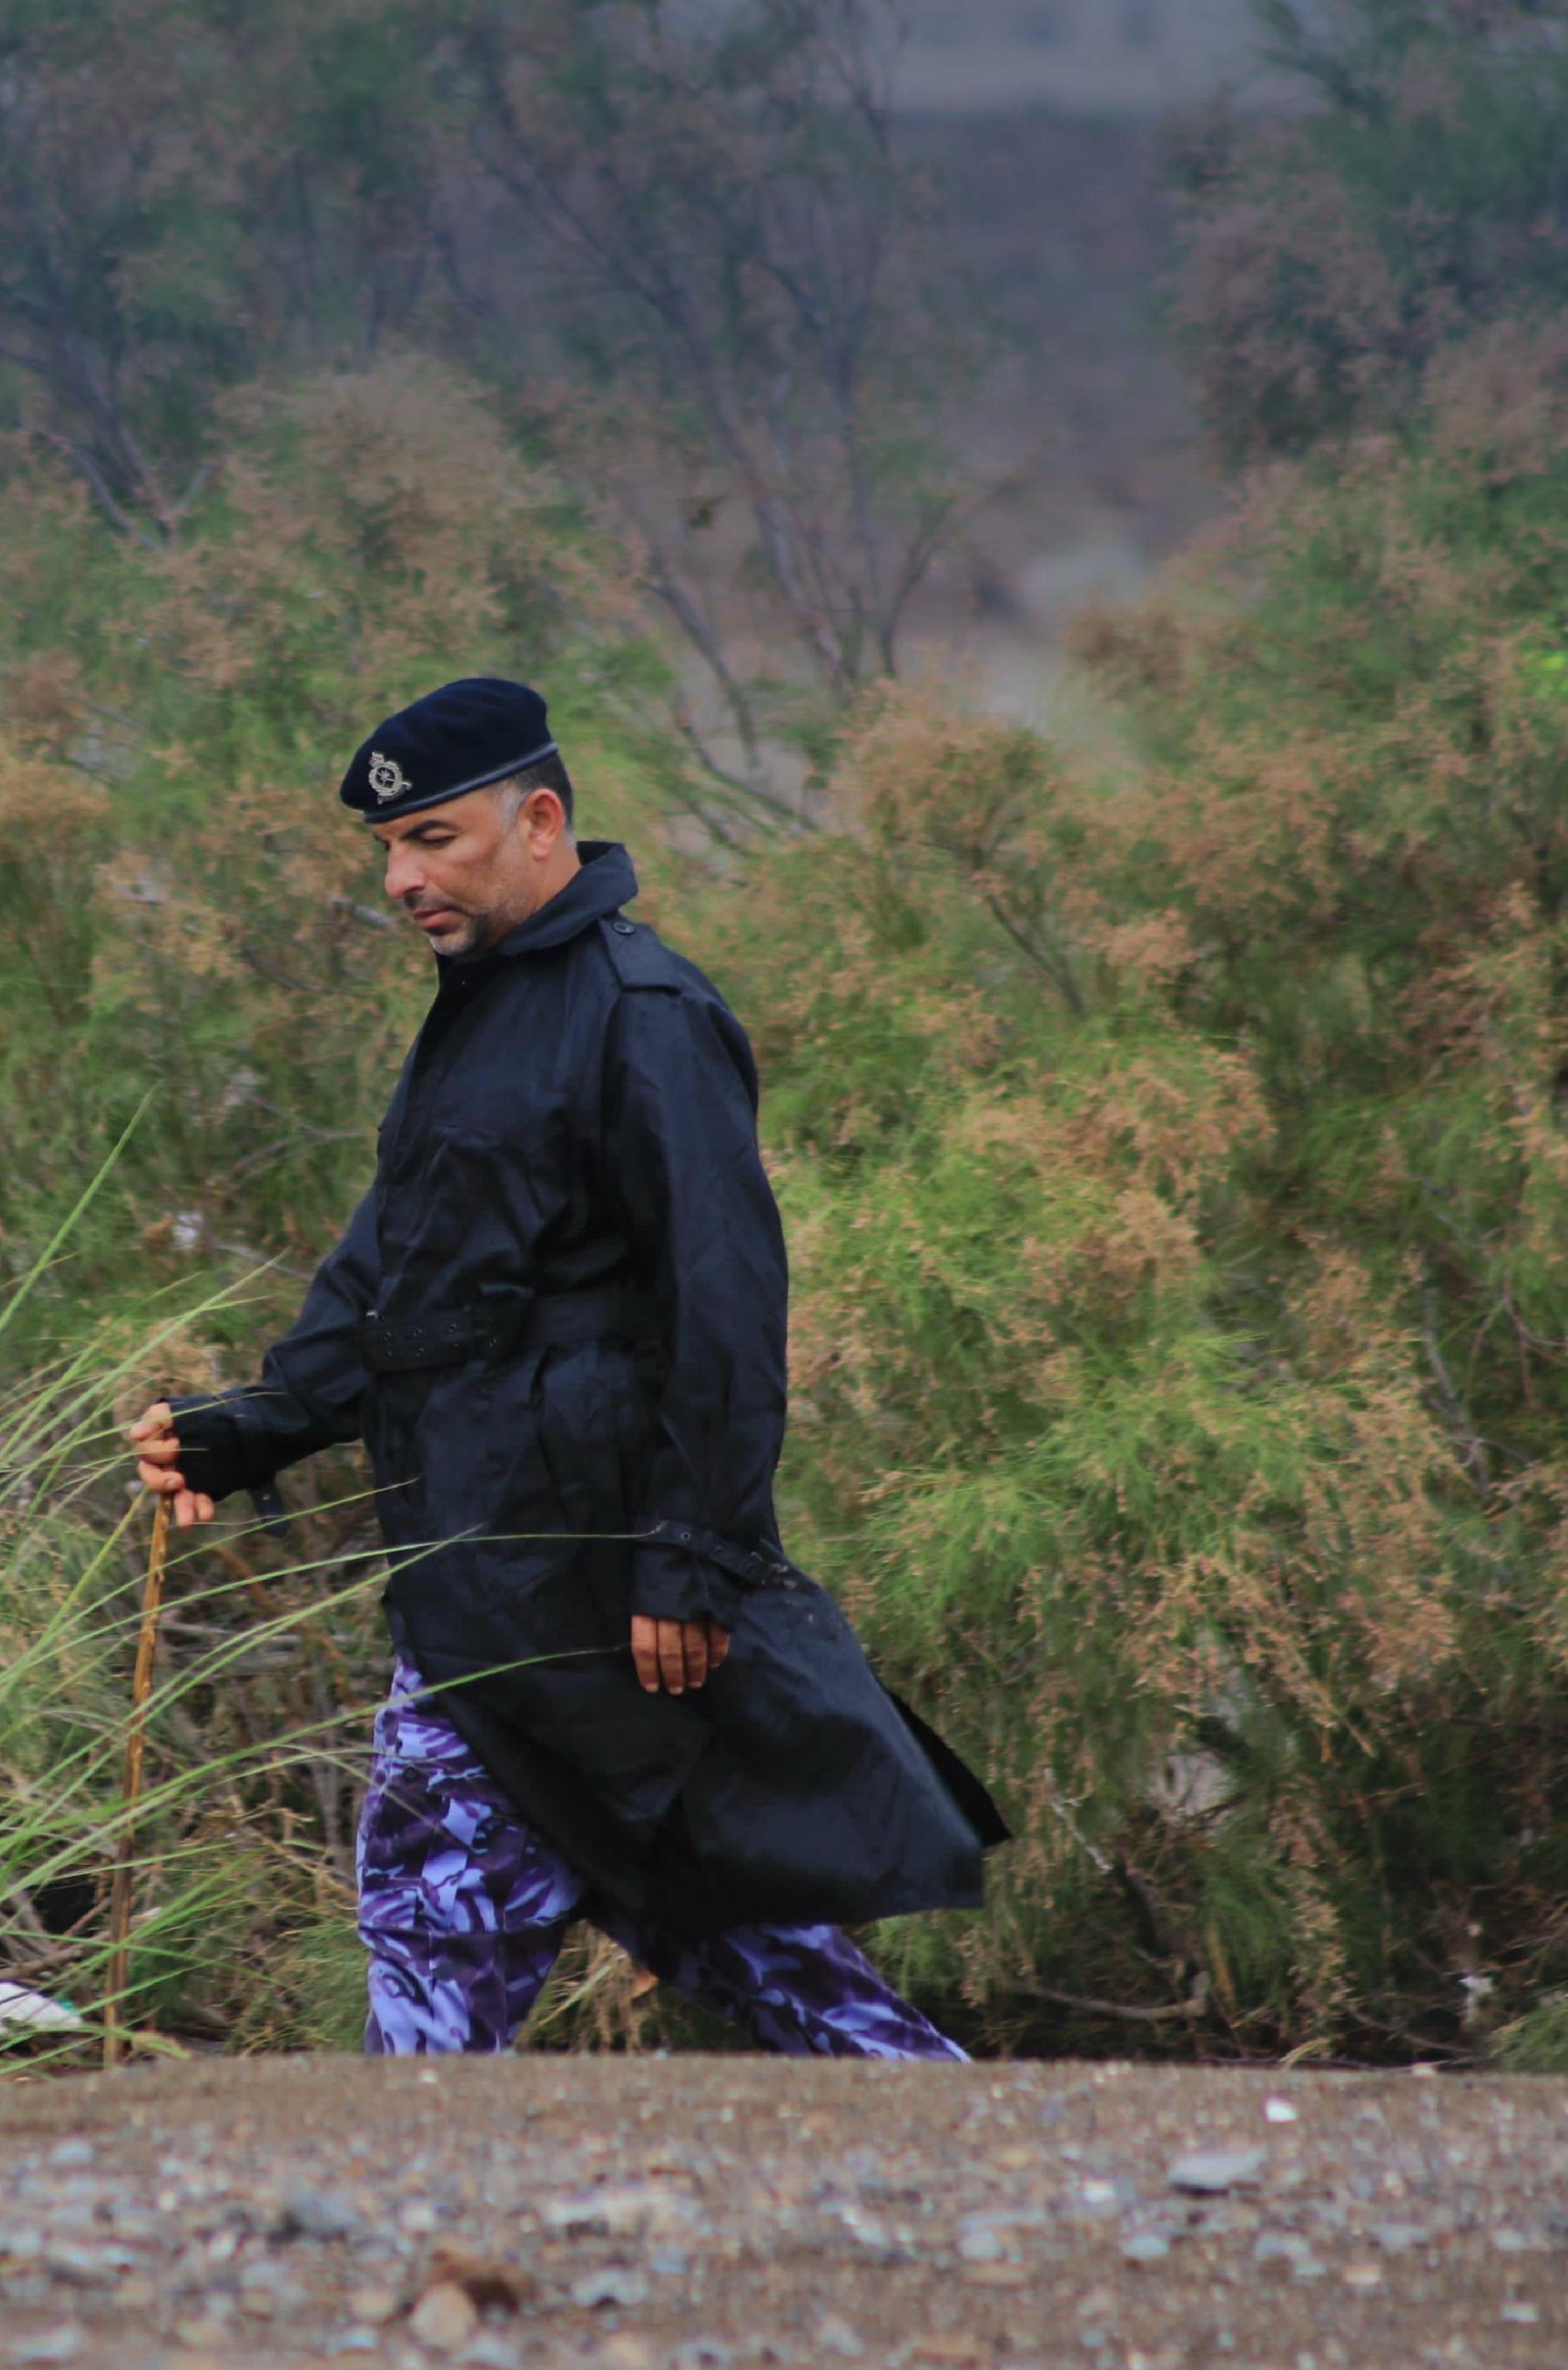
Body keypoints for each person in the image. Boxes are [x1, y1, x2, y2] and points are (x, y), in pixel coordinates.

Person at [129, 677, 1007, 2058]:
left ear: (540, 821)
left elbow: (725, 1308)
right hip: (476, 1560)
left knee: (432, 1912)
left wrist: (690, 1561)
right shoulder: (476, 1012)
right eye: (389, 852)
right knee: (736, 1942)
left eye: (435, 840)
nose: (404, 878)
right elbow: (394, 1276)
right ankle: (1000, 2155)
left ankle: (397, 2209)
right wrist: (255, 1428)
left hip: (580, 1582)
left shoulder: (643, 1014)